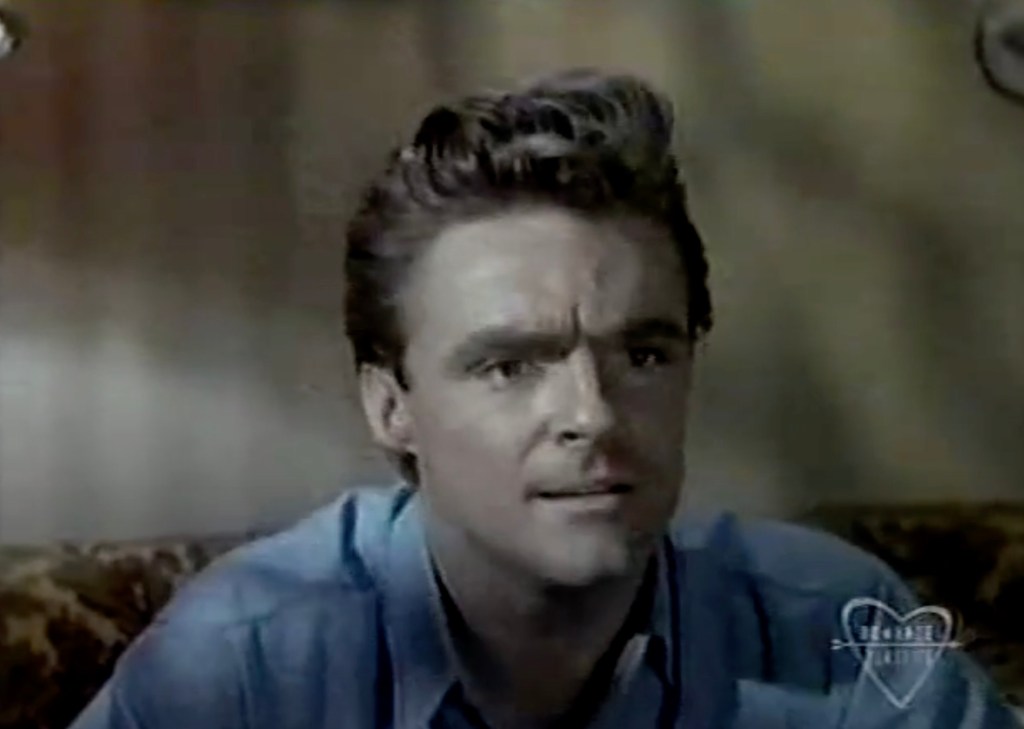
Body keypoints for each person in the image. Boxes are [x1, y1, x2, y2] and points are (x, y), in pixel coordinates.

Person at [70, 68, 1019, 729]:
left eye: (643, 353)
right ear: (390, 405)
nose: (594, 414)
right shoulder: (240, 666)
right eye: (510, 365)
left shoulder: (834, 628)